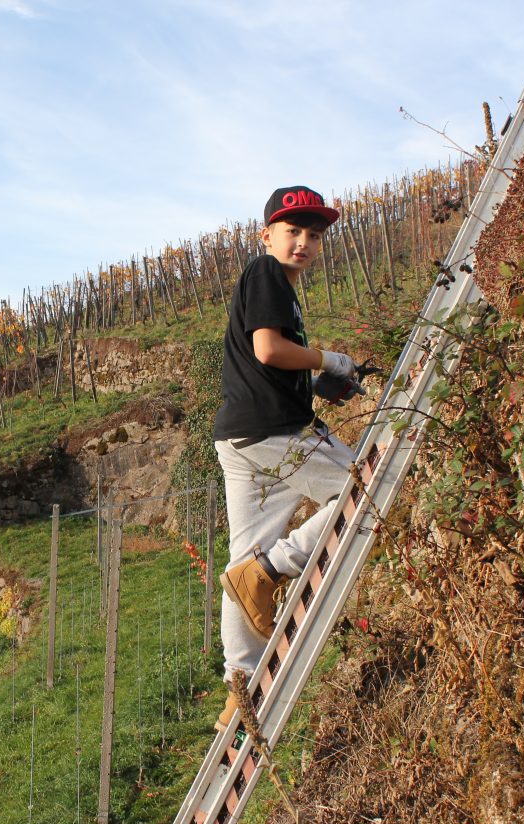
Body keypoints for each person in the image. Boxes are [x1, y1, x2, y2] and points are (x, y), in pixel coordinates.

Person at [212, 185, 372, 731]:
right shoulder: (266, 274)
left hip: (240, 436)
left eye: (314, 234)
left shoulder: (274, 287)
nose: (303, 242)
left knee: (241, 561)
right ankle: (274, 567)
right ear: (266, 236)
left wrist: (317, 381)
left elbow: (271, 364)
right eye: (292, 231)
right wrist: (328, 356)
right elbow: (267, 350)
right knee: (365, 490)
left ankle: (239, 685)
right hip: (277, 433)